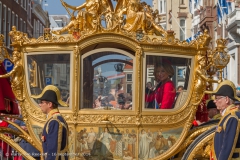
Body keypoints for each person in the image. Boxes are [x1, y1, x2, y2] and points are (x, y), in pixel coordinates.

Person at [31, 85, 69, 160]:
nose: (39, 104)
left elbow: (53, 150)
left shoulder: (54, 121)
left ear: (50, 104)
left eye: (42, 102)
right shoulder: (54, 119)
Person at [205, 80, 240, 160]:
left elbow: (227, 148)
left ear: (227, 99)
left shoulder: (232, 117)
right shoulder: (228, 116)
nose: (214, 101)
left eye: (217, 98)